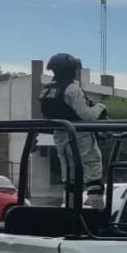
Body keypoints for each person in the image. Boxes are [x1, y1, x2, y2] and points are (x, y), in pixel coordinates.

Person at [39, 53, 107, 209]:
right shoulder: (72, 89)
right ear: (70, 70)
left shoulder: (47, 90)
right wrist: (101, 107)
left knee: (70, 180)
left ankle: (70, 219)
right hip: (80, 137)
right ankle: (99, 222)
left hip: (61, 138)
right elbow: (88, 115)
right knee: (93, 179)